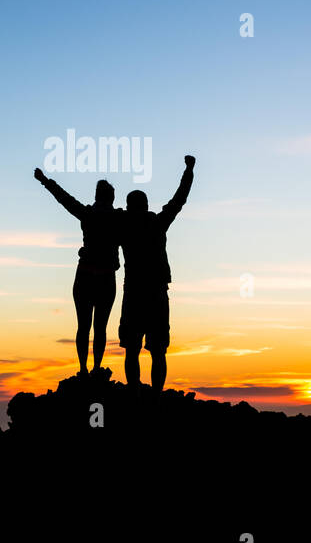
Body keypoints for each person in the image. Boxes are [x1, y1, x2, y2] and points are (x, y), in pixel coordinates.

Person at [33, 168, 122, 375]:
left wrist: (45, 181)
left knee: (84, 326)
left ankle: (83, 369)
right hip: (106, 278)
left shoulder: (88, 214)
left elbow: (64, 198)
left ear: (97, 196)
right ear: (111, 198)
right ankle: (96, 369)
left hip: (85, 276)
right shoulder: (118, 218)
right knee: (100, 328)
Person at [118, 155, 194, 393]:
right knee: (158, 350)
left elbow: (179, 200)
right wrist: (189, 170)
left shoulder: (124, 225)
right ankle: (156, 396)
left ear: (130, 206)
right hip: (155, 294)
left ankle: (135, 393)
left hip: (135, 293)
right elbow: (179, 199)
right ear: (146, 205)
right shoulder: (157, 223)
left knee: (133, 348)